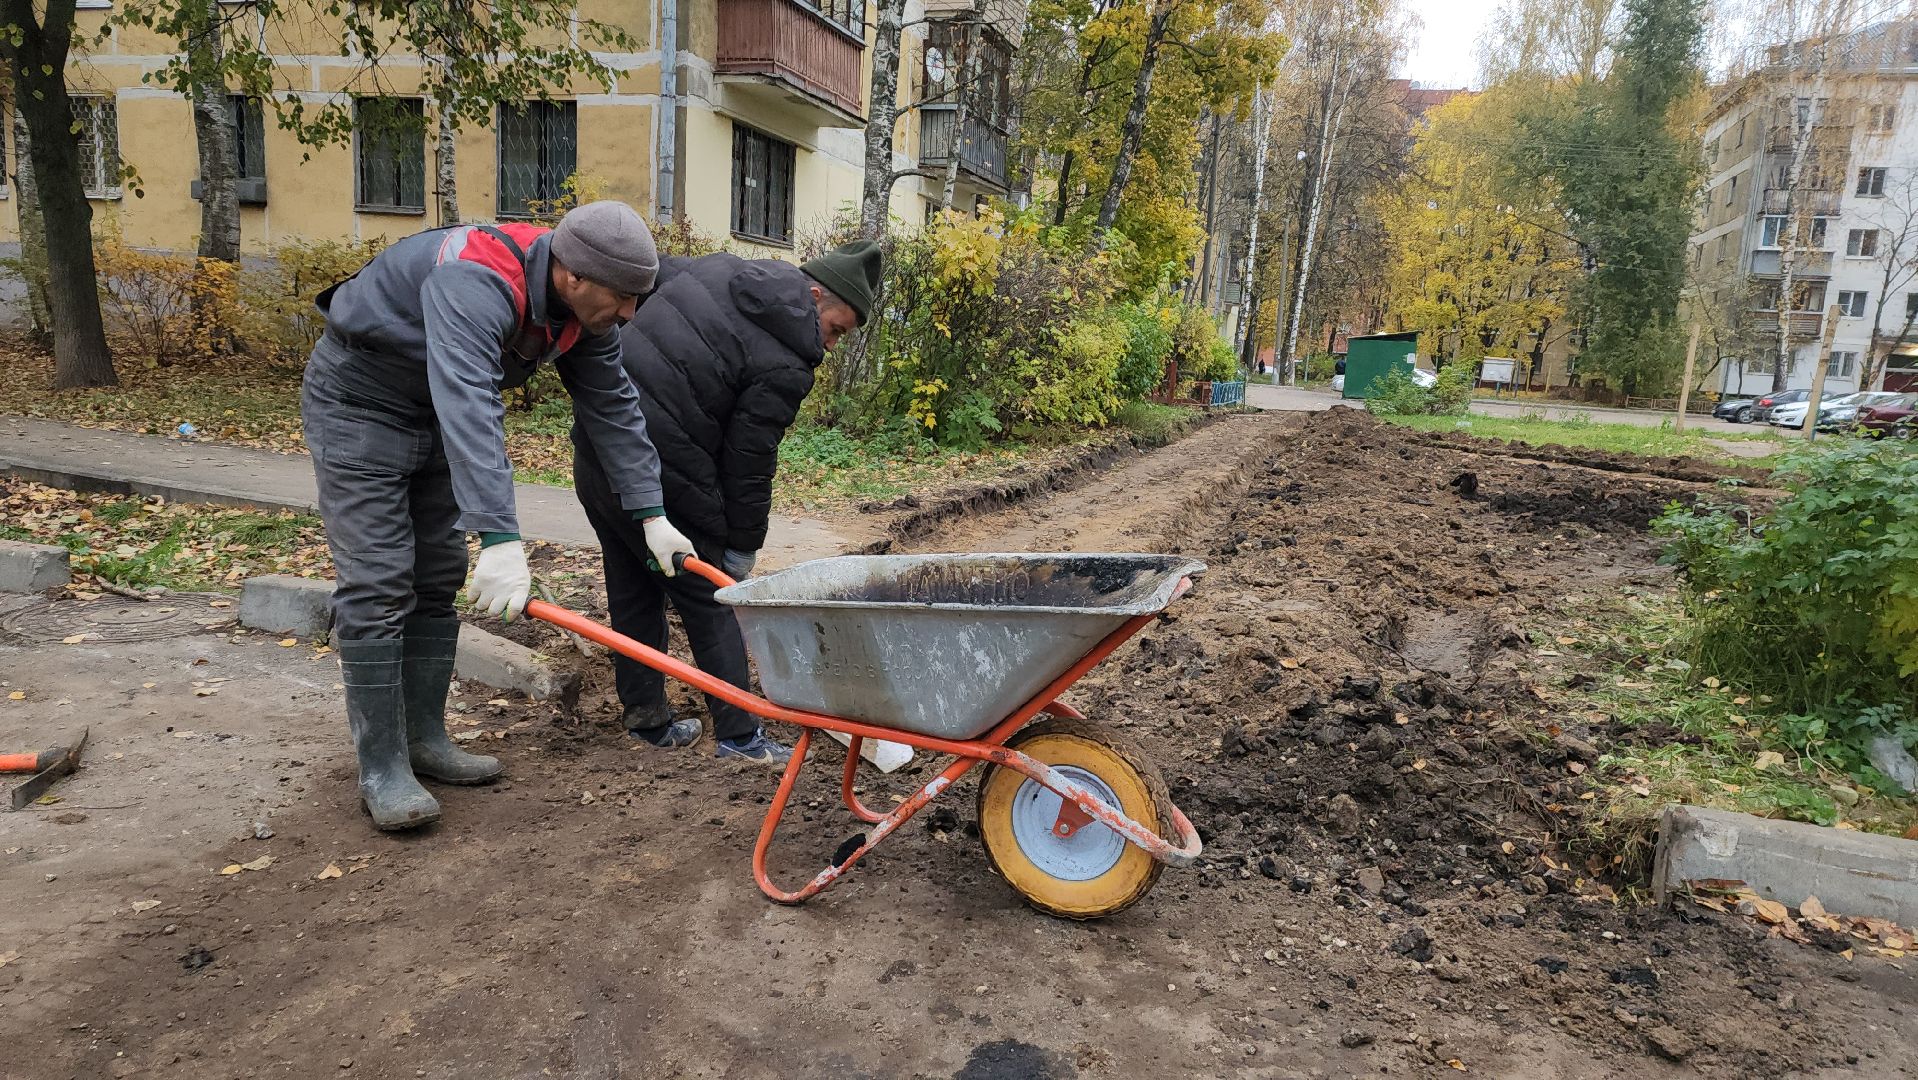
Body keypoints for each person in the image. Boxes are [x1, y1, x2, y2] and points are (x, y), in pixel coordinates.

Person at [302, 201, 699, 830]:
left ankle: (425, 740)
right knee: (379, 581)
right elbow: (469, 398)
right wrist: (501, 535)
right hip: (360, 405)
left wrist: (652, 514)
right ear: (575, 276)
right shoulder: (478, 277)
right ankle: (382, 767)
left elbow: (615, 410)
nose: (629, 314)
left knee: (435, 575)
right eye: (624, 299)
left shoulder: (578, 316)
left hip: (432, 412)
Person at [571, 240, 882, 765]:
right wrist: (739, 547)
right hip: (667, 470)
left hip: (601, 447)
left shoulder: (721, 269)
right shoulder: (788, 359)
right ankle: (741, 736)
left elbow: (649, 281)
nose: (831, 344)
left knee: (632, 584)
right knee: (710, 595)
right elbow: (748, 463)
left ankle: (647, 717)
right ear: (812, 296)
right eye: (835, 329)